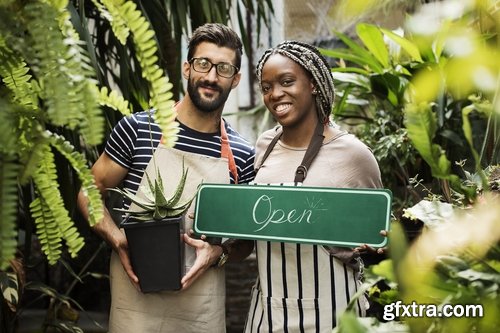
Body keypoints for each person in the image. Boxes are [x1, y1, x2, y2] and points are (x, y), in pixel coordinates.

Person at [77, 23, 255, 333]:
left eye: (223, 68)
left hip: (201, 308)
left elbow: (245, 242)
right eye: (203, 64)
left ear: (236, 78)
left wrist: (218, 252)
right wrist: (117, 239)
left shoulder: (241, 155)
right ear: (187, 68)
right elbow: (89, 189)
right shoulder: (138, 129)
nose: (211, 77)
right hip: (136, 303)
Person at [224, 40, 384, 332]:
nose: (275, 94)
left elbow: (379, 236)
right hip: (266, 314)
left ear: (312, 84)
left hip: (334, 312)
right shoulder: (264, 146)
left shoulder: (353, 154)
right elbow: (251, 233)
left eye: (287, 82)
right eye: (267, 87)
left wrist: (374, 246)